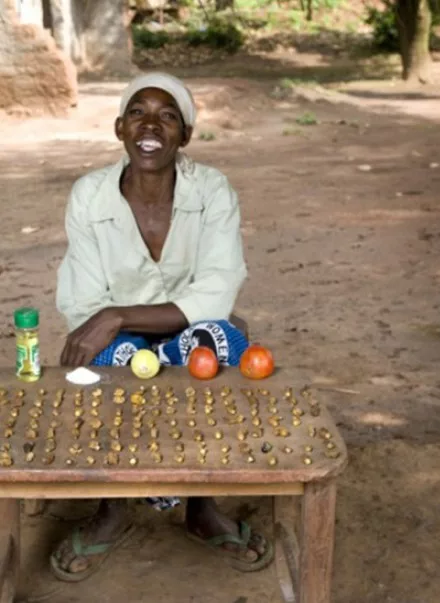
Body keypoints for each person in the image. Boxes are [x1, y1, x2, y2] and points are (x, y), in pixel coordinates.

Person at [50, 72, 273, 581]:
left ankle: (199, 504)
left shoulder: (213, 190)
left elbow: (218, 290)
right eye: (138, 113)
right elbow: (84, 300)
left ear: (185, 136)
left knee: (219, 348)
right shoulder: (89, 195)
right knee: (103, 365)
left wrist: (120, 314)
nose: (150, 124)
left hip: (176, 327)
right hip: (118, 337)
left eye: (167, 116)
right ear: (119, 128)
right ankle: (114, 505)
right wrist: (112, 323)